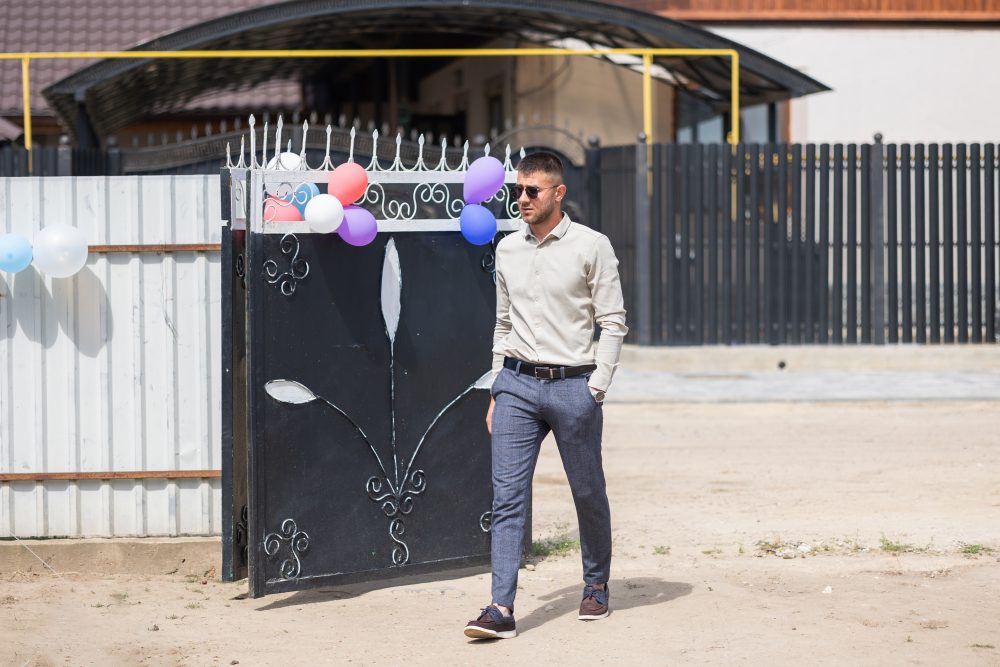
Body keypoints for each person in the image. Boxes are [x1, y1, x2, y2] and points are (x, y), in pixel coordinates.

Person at [463, 151, 628, 639]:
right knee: (507, 497)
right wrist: (497, 387)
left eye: (532, 190)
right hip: (516, 385)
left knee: (587, 492)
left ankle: (595, 584)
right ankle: (500, 607)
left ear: (559, 193)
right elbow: (502, 323)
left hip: (575, 386)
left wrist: (597, 387)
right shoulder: (508, 250)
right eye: (517, 189)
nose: (522, 198)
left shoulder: (592, 246)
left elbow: (613, 322)